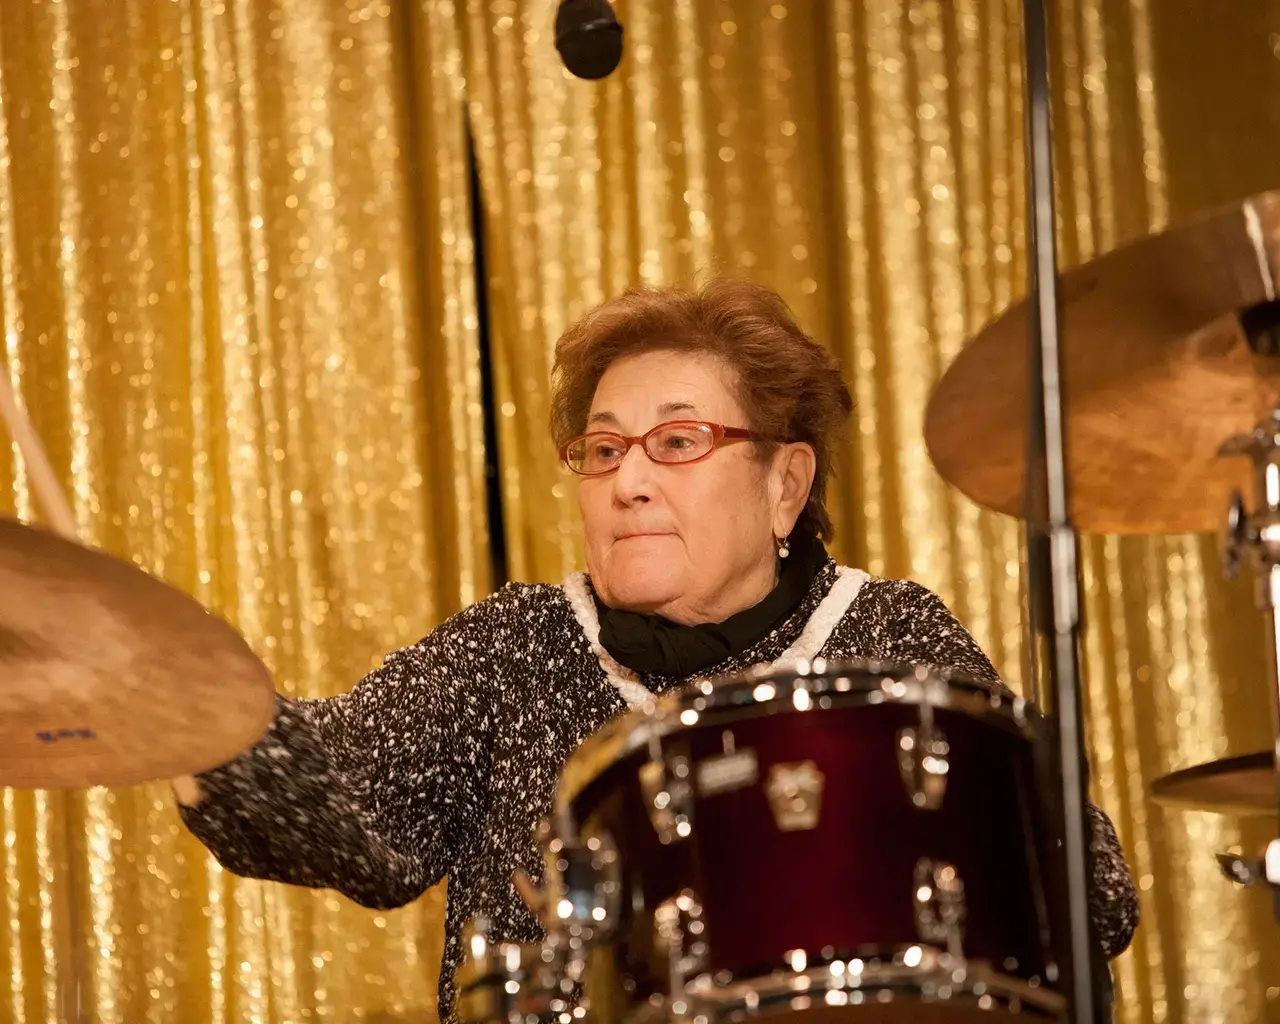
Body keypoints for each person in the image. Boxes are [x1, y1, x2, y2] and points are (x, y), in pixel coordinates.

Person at [176, 277, 1139, 1019]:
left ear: (784, 486)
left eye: (676, 442)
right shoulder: (516, 647)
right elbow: (346, 799)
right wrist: (165, 701)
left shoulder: (889, 636)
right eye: (603, 450)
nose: (626, 480)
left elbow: (1091, 891)